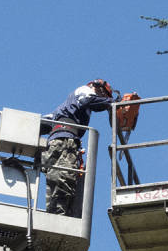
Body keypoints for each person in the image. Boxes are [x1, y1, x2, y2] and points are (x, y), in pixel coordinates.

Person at [44, 80, 115, 216]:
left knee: (55, 179)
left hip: (56, 142)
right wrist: (111, 102)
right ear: (95, 86)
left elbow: (46, 121)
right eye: (103, 93)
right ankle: (59, 216)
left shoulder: (66, 106)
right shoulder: (85, 90)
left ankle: (53, 213)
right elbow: (88, 100)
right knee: (64, 178)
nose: (102, 96)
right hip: (65, 142)